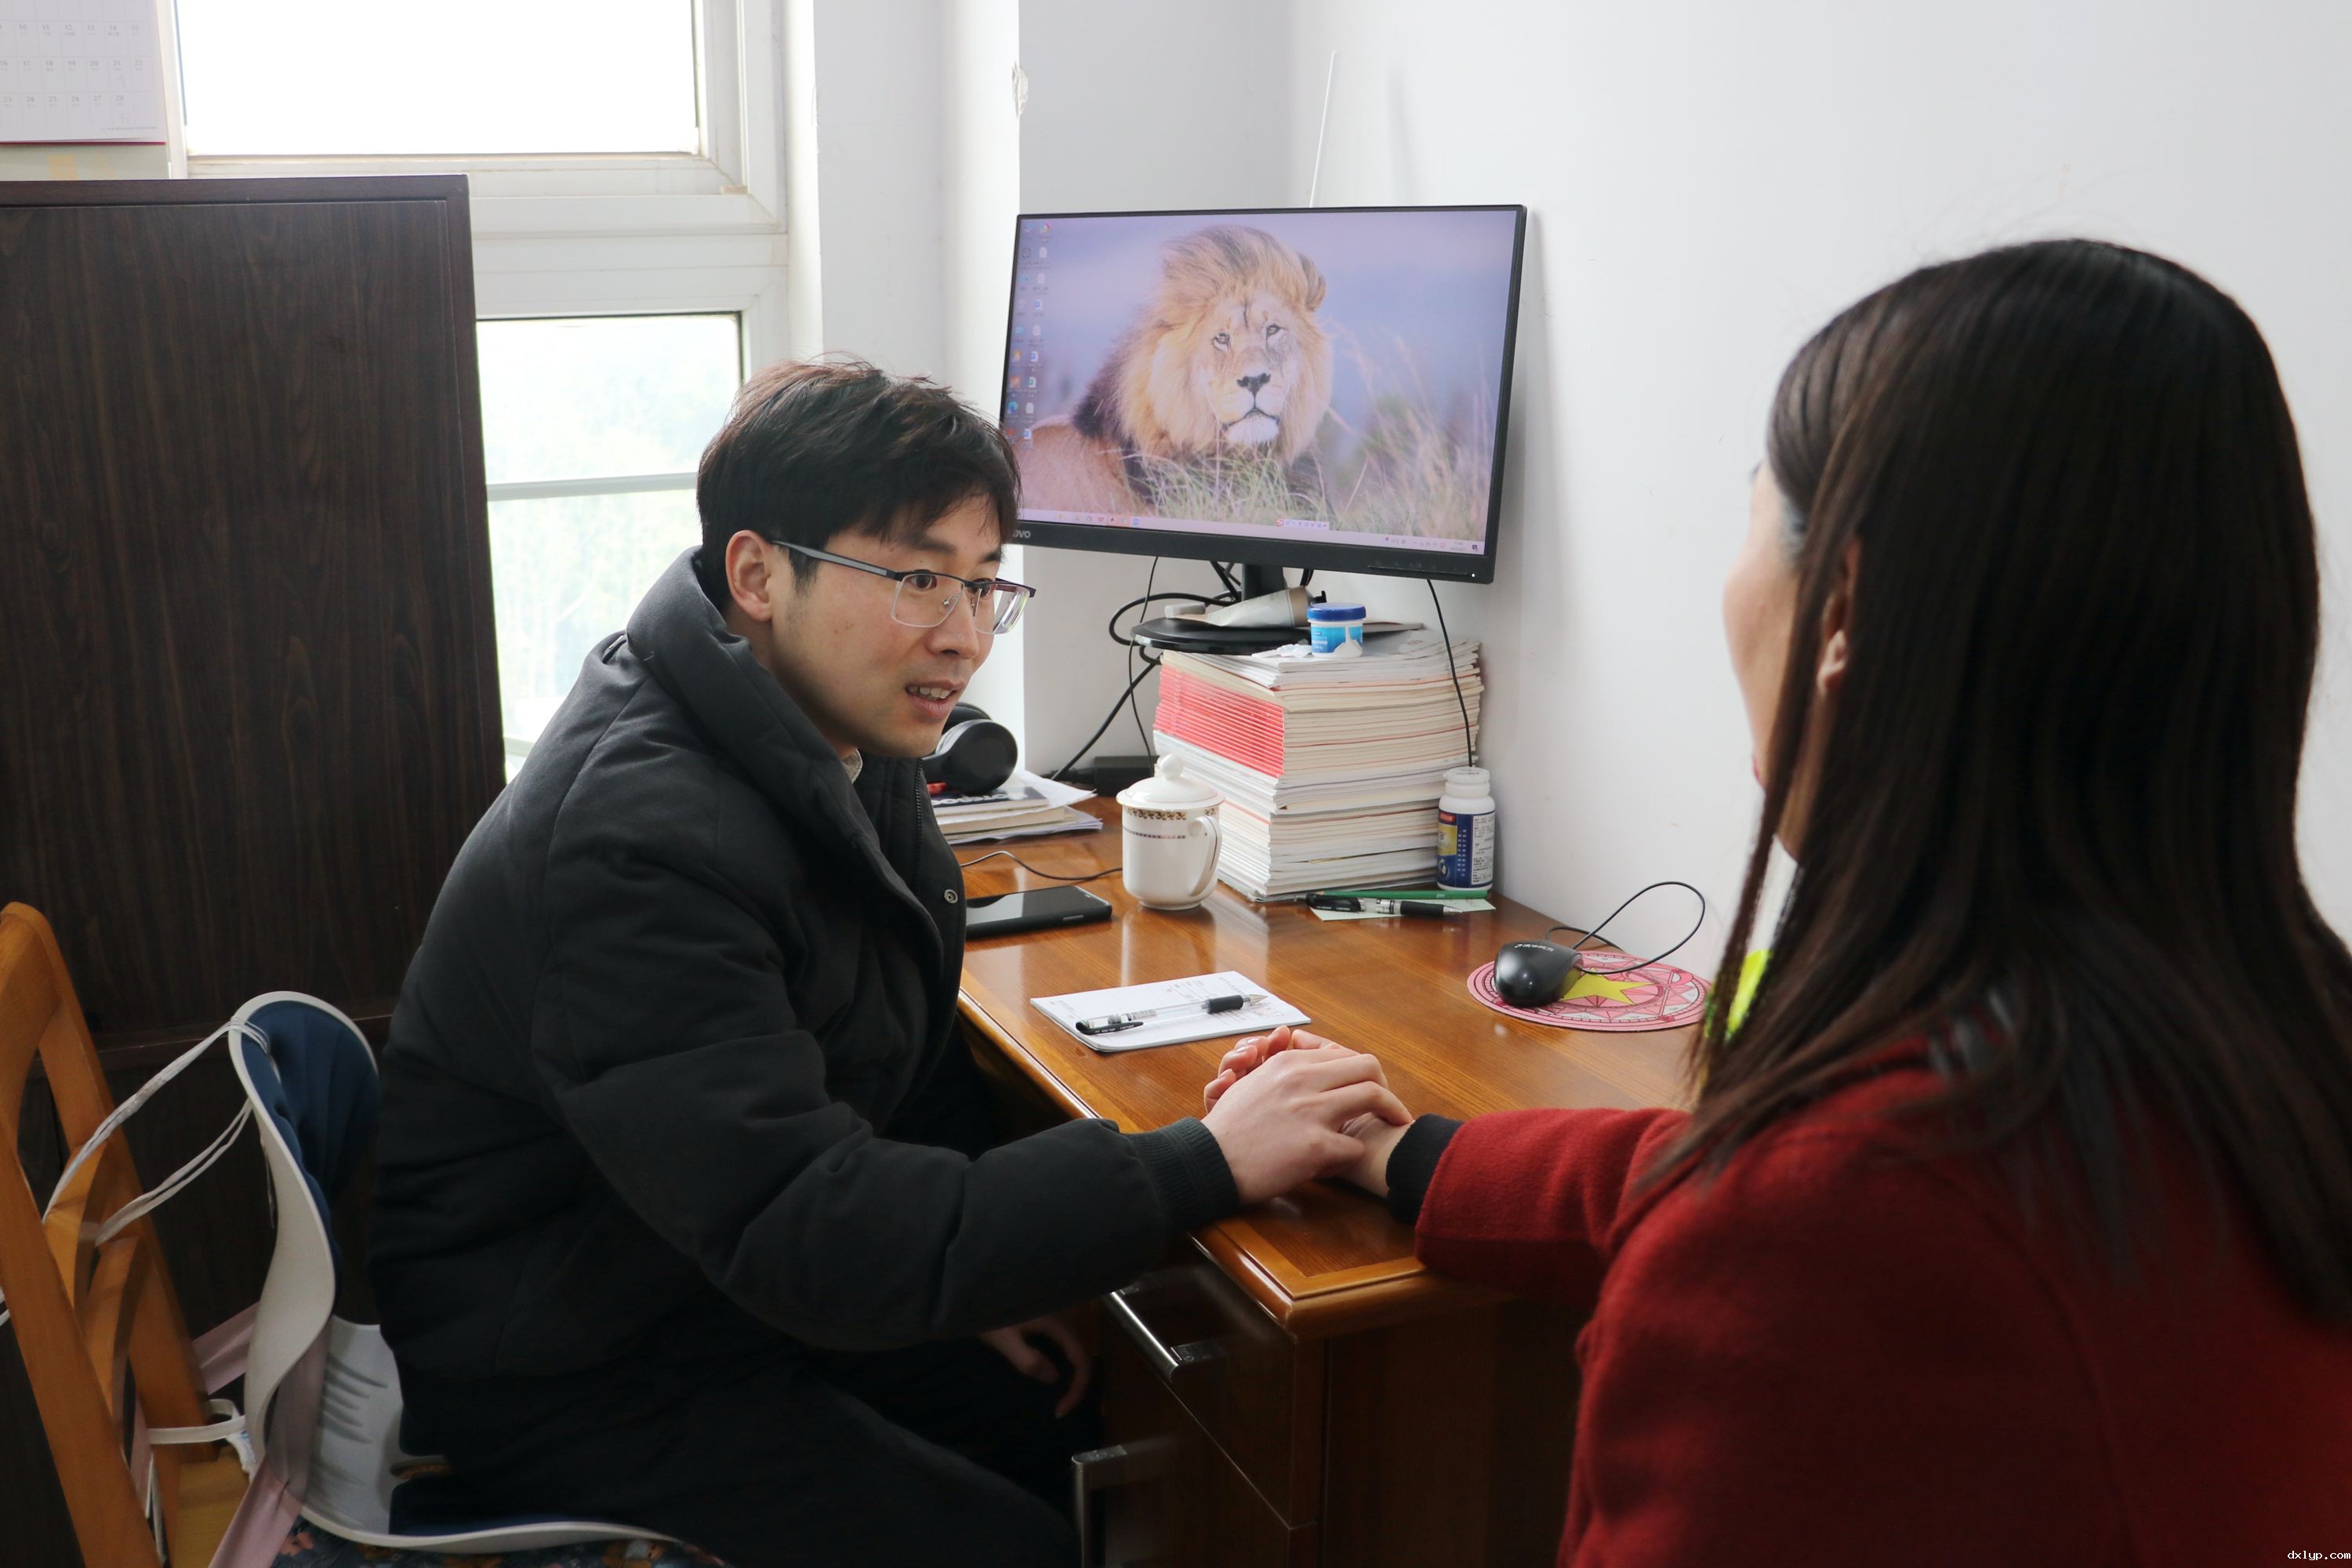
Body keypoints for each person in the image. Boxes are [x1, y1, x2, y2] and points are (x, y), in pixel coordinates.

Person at [1207, 240, 2352, 1563]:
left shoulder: (1830, 1241)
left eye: (1751, 514)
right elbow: (1728, 1174)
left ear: (1843, 614)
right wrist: (1409, 1155)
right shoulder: (2262, 1057)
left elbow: (1803, 1213)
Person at [367, 358, 1406, 1568]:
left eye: (983, 584)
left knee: (1083, 1423)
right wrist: (1202, 1161)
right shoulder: (639, 840)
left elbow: (885, 1064)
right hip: (576, 1362)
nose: (963, 637)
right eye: (918, 579)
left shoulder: (829, 732)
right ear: (758, 575)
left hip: (694, 1274)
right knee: (1018, 1545)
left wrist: (998, 1272)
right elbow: (809, 1232)